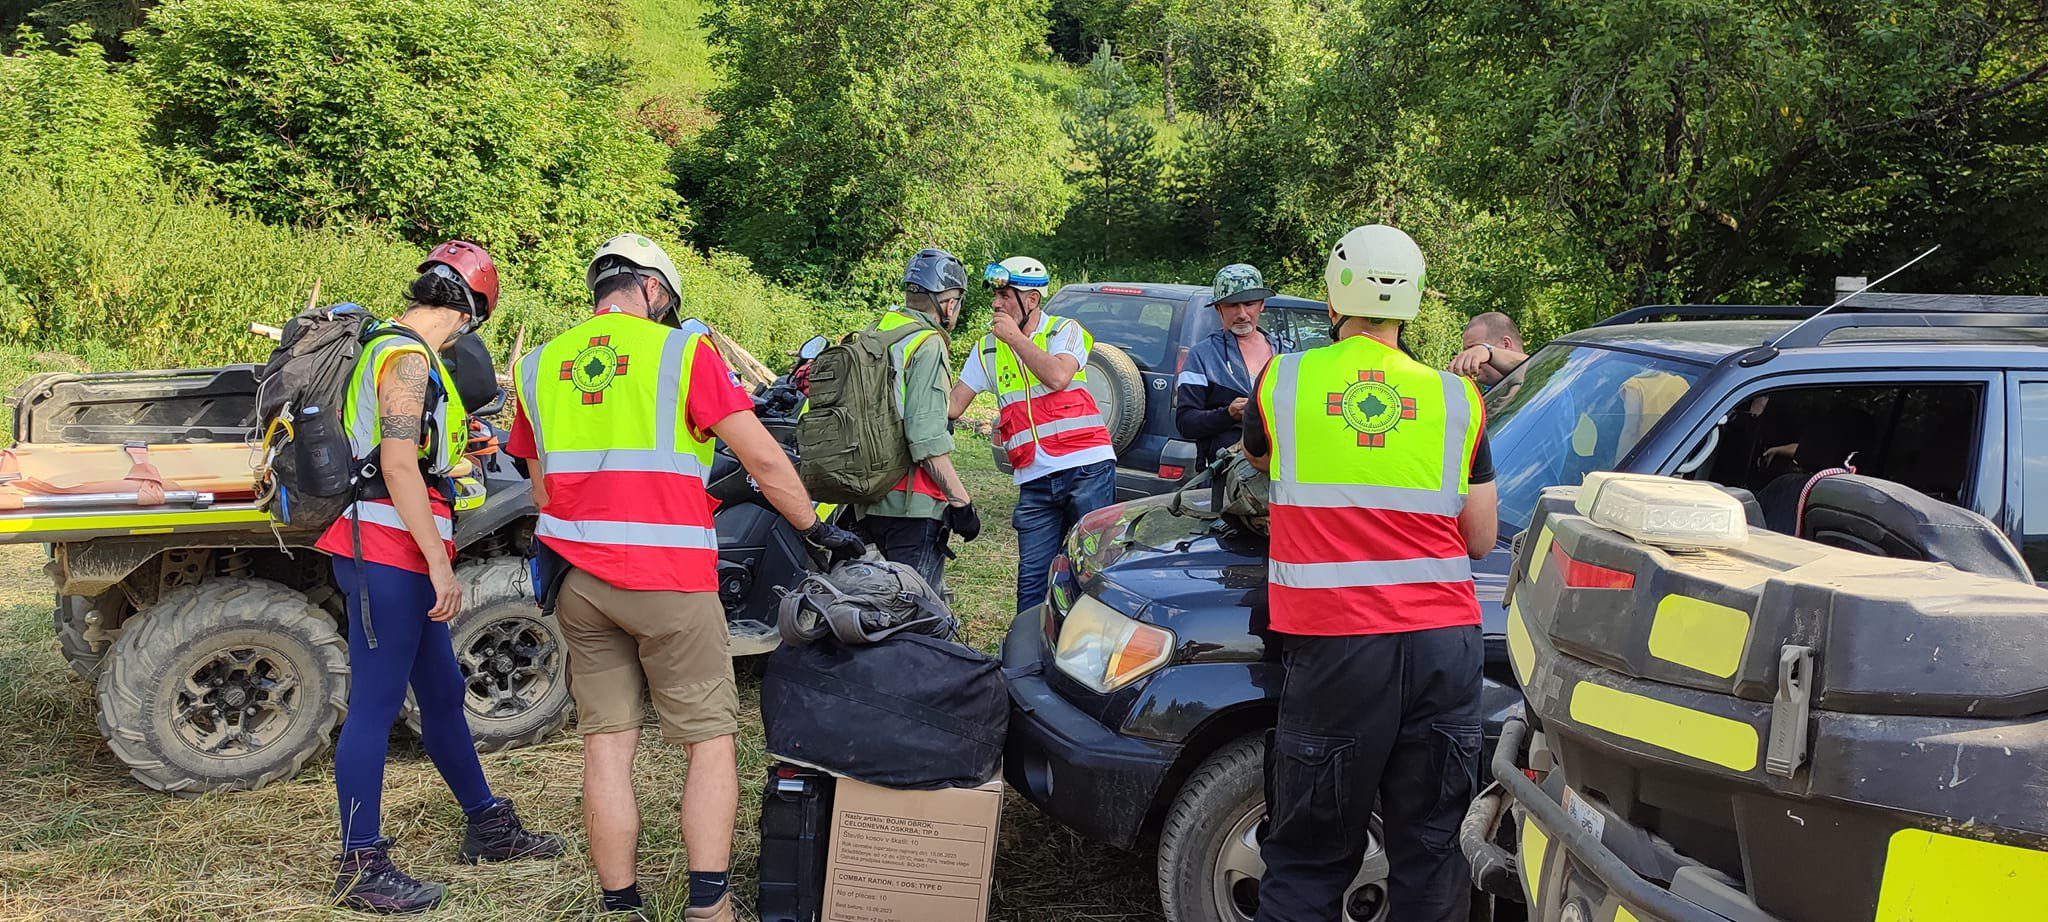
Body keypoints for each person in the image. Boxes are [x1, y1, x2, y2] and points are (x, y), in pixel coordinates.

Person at [508, 234, 863, 922]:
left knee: (607, 745)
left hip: (579, 581)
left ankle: (619, 907)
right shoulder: (679, 351)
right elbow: (758, 453)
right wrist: (819, 530)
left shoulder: (537, 365)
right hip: (669, 579)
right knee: (708, 740)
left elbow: (542, 491)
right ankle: (708, 905)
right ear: (653, 291)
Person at [1242, 224, 1498, 922]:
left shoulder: (1284, 379)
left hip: (1337, 650)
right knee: (1432, 850)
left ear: (1333, 297)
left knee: (1308, 858)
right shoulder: (1456, 398)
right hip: (1446, 648)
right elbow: (1480, 537)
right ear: (1413, 301)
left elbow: (1263, 461)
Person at [316, 241, 564, 914]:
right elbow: (396, 466)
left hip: (397, 546)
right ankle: (359, 863)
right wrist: (436, 562)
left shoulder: (399, 353)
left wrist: (459, 455)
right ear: (472, 313)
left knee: (444, 690)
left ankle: (487, 826)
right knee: (372, 704)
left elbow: (415, 458)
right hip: (390, 552)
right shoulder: (404, 357)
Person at [948, 256, 1116, 614]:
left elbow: (1057, 377)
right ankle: (1024, 663)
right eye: (996, 295)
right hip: (1035, 479)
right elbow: (952, 406)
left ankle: (1088, 652)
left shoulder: (1065, 331)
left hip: (1086, 469)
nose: (996, 304)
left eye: (1006, 295)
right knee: (1032, 582)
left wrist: (1015, 339)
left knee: (1091, 572)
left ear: (1032, 300)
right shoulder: (987, 348)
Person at [850, 248, 980, 587]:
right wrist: (962, 503)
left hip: (865, 497)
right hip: (912, 504)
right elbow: (924, 437)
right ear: (949, 304)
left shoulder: (875, 330)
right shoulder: (927, 342)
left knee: (872, 605)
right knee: (913, 615)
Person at [1175, 263, 1282, 464]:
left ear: (1262, 305)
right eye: (1232, 305)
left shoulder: (1285, 353)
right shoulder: (1202, 356)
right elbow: (1185, 423)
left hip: (1280, 471)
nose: (1242, 314)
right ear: (1218, 309)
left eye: (1249, 304)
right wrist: (1228, 414)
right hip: (1224, 475)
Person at [1448, 310, 1528, 389]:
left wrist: (1488, 351)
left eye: (1474, 349)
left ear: (1506, 344)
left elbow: (1531, 366)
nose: (1470, 359)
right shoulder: (1490, 396)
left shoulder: (1538, 380)